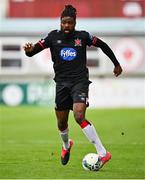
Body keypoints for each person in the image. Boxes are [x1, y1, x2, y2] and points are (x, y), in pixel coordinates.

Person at [23, 5, 122, 169]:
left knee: (78, 116)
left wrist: (116, 64)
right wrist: (28, 50)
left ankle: (103, 153)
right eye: (64, 23)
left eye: (70, 23)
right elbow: (32, 52)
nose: (67, 26)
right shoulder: (52, 37)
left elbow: (103, 45)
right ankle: (66, 145)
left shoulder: (83, 36)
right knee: (62, 124)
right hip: (61, 84)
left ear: (75, 22)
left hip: (79, 82)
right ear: (60, 22)